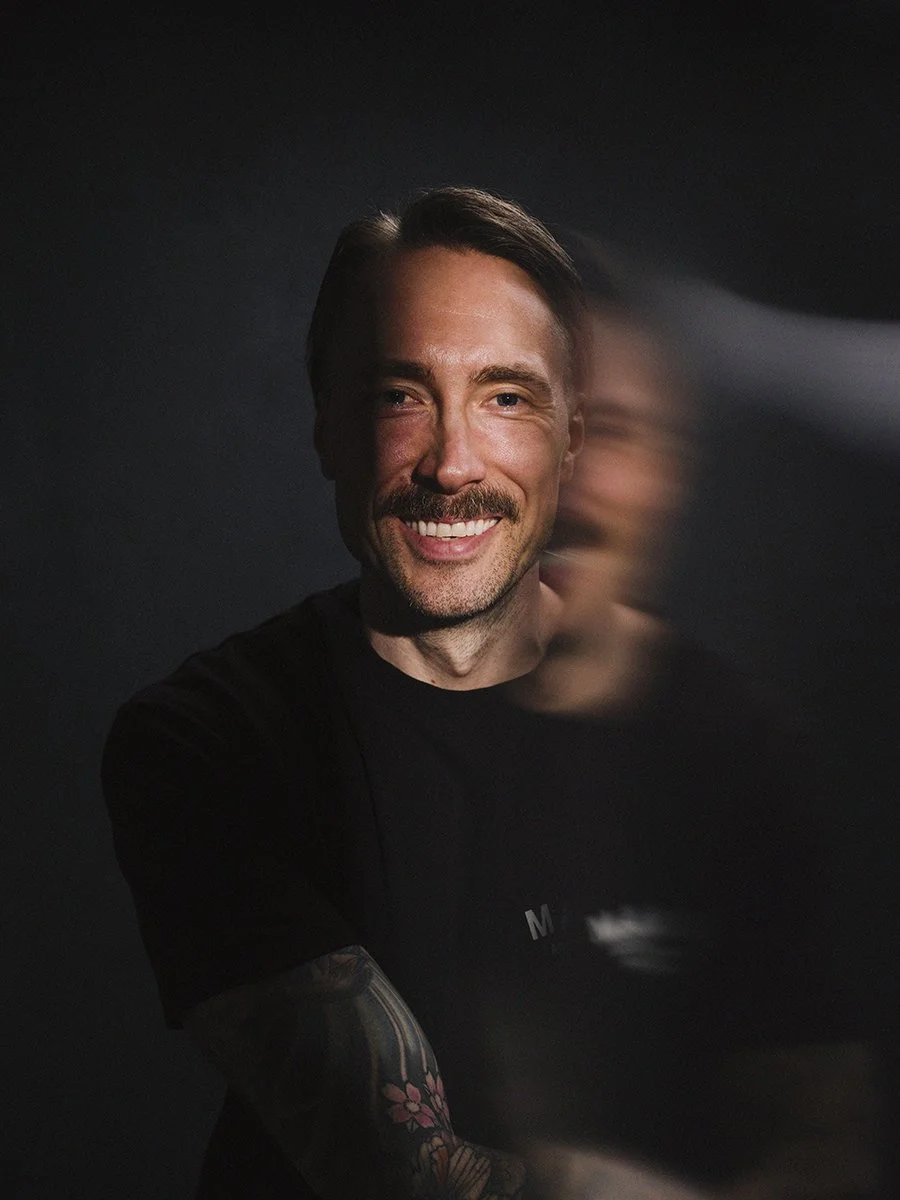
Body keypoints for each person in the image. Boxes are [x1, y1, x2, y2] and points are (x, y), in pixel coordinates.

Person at [102, 191, 876, 1200]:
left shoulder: (728, 743)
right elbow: (402, 1173)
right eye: (398, 396)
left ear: (569, 437)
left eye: (506, 397)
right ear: (326, 427)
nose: (453, 463)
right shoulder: (210, 741)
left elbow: (823, 1141)